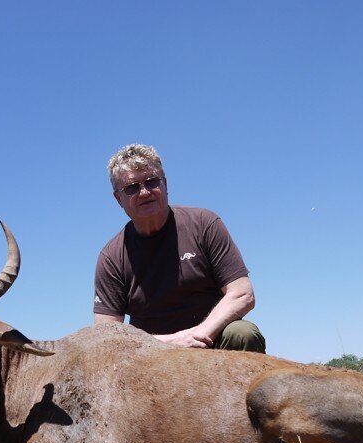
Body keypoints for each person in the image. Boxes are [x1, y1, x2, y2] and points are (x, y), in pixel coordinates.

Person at [93, 144, 266, 352]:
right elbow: (106, 334)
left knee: (242, 333)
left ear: (165, 184)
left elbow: (242, 294)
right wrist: (170, 343)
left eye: (152, 181)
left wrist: (198, 335)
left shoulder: (204, 223)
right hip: (152, 354)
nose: (145, 192)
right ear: (118, 198)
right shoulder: (111, 257)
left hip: (210, 339)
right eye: (132, 187)